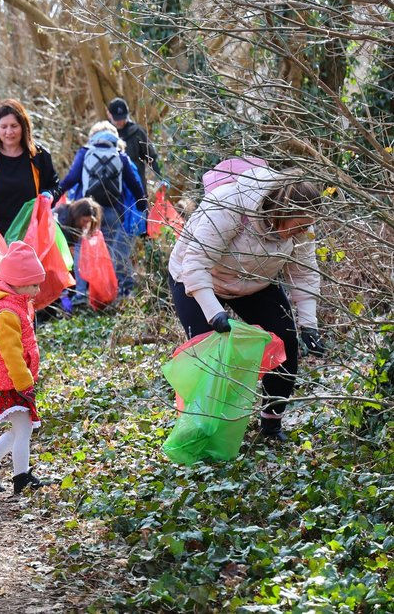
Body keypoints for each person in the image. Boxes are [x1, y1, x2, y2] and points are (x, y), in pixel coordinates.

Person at [168, 160, 326, 442]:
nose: (303, 232)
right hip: (196, 278)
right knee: (209, 357)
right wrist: (214, 313)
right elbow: (195, 263)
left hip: (253, 282)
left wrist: (309, 325)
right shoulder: (231, 205)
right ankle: (204, 429)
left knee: (285, 341)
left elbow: (303, 274)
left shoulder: (303, 227)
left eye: (308, 226)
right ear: (284, 210)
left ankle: (271, 424)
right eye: (300, 225)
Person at [0, 99, 61, 388]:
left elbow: (55, 184)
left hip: (29, 241)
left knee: (26, 298)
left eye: (14, 126)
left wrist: (48, 195)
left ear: (23, 127)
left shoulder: (38, 156)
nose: (8, 131)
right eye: (3, 126)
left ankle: (27, 358)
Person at [0, 241, 48, 494]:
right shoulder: (6, 312)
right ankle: (21, 478)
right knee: (23, 431)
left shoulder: (15, 307)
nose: (37, 289)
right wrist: (24, 381)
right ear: (19, 281)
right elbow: (10, 352)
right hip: (11, 381)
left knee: (18, 430)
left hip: (11, 380)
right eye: (34, 284)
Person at [60, 120, 147, 298]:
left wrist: (55, 194)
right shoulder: (120, 155)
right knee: (110, 250)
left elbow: (71, 178)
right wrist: (142, 203)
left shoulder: (86, 152)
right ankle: (112, 292)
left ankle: (81, 293)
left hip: (87, 211)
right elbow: (134, 183)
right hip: (113, 210)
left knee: (82, 249)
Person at [54, 197, 103, 310]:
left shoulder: (76, 221)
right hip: (57, 247)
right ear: (78, 216)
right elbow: (69, 254)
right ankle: (69, 299)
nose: (86, 225)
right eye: (84, 221)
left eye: (88, 222)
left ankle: (75, 296)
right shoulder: (64, 219)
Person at [107, 97, 165, 189]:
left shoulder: (137, 132)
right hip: (114, 189)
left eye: (122, 118)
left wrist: (162, 177)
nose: (120, 122)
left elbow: (151, 157)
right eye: (117, 119)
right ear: (109, 115)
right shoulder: (105, 134)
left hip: (137, 185)